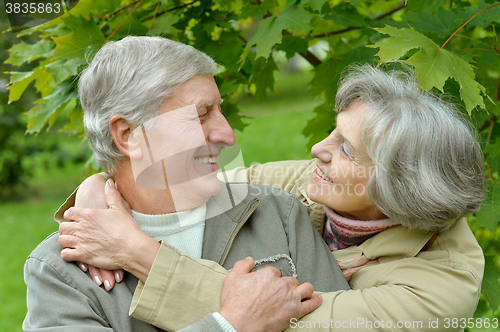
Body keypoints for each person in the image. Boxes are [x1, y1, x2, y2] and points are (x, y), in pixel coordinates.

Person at [58, 63, 487, 331]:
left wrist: (137, 252)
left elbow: (284, 321)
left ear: (398, 189)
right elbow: (179, 178)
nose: (318, 149)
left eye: (345, 149)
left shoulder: (438, 288)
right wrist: (99, 190)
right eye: (333, 132)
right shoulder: (317, 182)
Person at [22, 36, 350, 332]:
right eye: (201, 115)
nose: (227, 135)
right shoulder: (60, 272)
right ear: (129, 135)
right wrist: (229, 326)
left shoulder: (277, 214)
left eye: (219, 111)